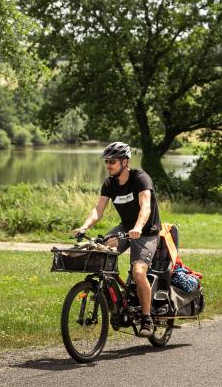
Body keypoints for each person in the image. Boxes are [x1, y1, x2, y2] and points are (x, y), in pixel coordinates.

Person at [73, 141, 161, 337]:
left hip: (146, 231)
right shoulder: (109, 183)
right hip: (125, 229)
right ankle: (117, 301)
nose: (108, 165)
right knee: (101, 250)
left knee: (139, 272)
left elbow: (145, 206)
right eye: (107, 161)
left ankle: (147, 318)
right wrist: (85, 226)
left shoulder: (140, 179)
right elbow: (98, 210)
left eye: (112, 161)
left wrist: (138, 228)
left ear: (125, 162)